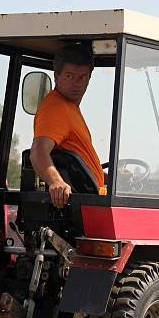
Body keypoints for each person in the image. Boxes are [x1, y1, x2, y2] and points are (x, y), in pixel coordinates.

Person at [30, 43, 104, 208]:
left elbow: (78, 167)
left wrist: (106, 177)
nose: (76, 84)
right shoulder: (57, 107)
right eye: (69, 76)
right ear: (56, 76)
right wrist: (56, 182)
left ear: (89, 80)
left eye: (82, 77)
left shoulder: (70, 108)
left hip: (90, 197)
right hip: (80, 204)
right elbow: (38, 152)